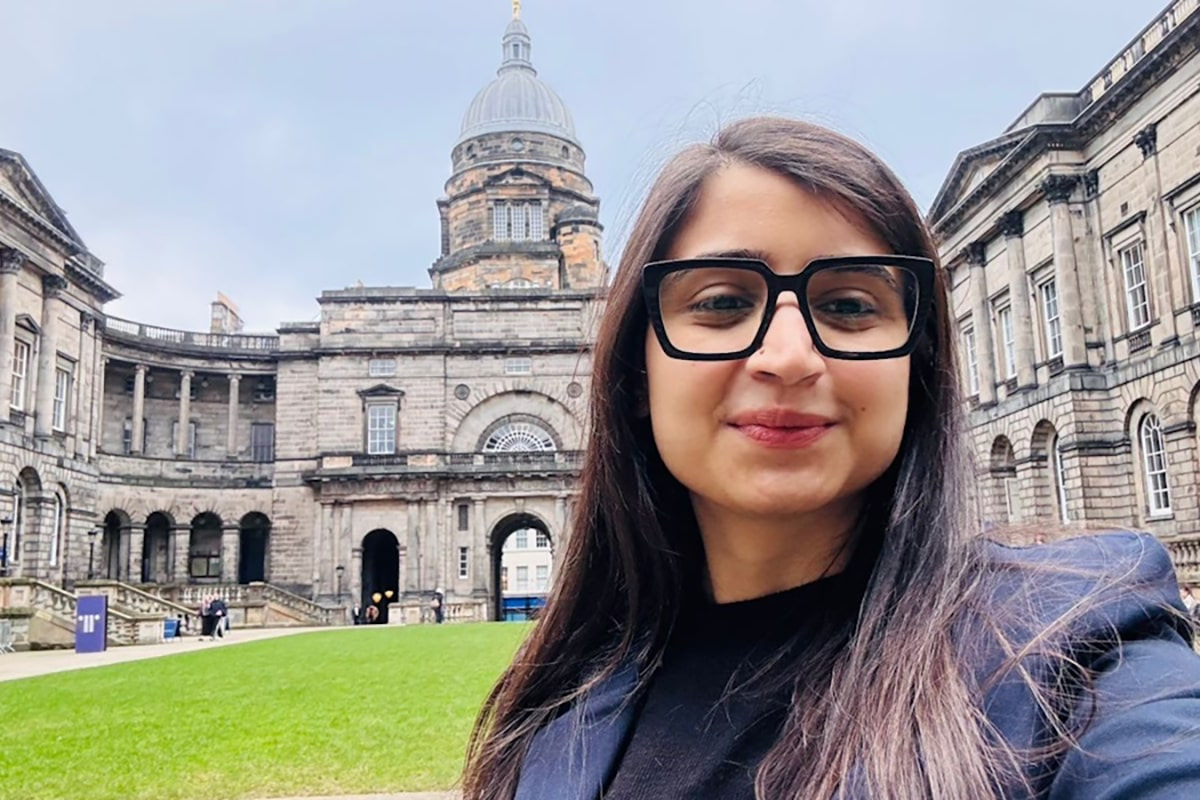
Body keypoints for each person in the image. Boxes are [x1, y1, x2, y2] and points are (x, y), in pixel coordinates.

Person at [462, 117, 1200, 800]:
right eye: (721, 302)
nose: (787, 357)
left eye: (848, 305)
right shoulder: (560, 706)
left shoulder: (1079, 650)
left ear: (920, 365)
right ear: (633, 375)